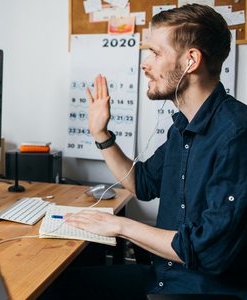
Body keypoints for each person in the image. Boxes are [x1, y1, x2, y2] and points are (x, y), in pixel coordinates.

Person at [46, 4, 247, 299]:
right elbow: (141, 183)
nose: (145, 63)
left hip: (202, 291)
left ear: (191, 60)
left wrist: (120, 226)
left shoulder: (236, 134)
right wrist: (101, 134)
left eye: (155, 52)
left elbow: (208, 252)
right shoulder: (182, 127)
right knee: (56, 287)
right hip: (163, 277)